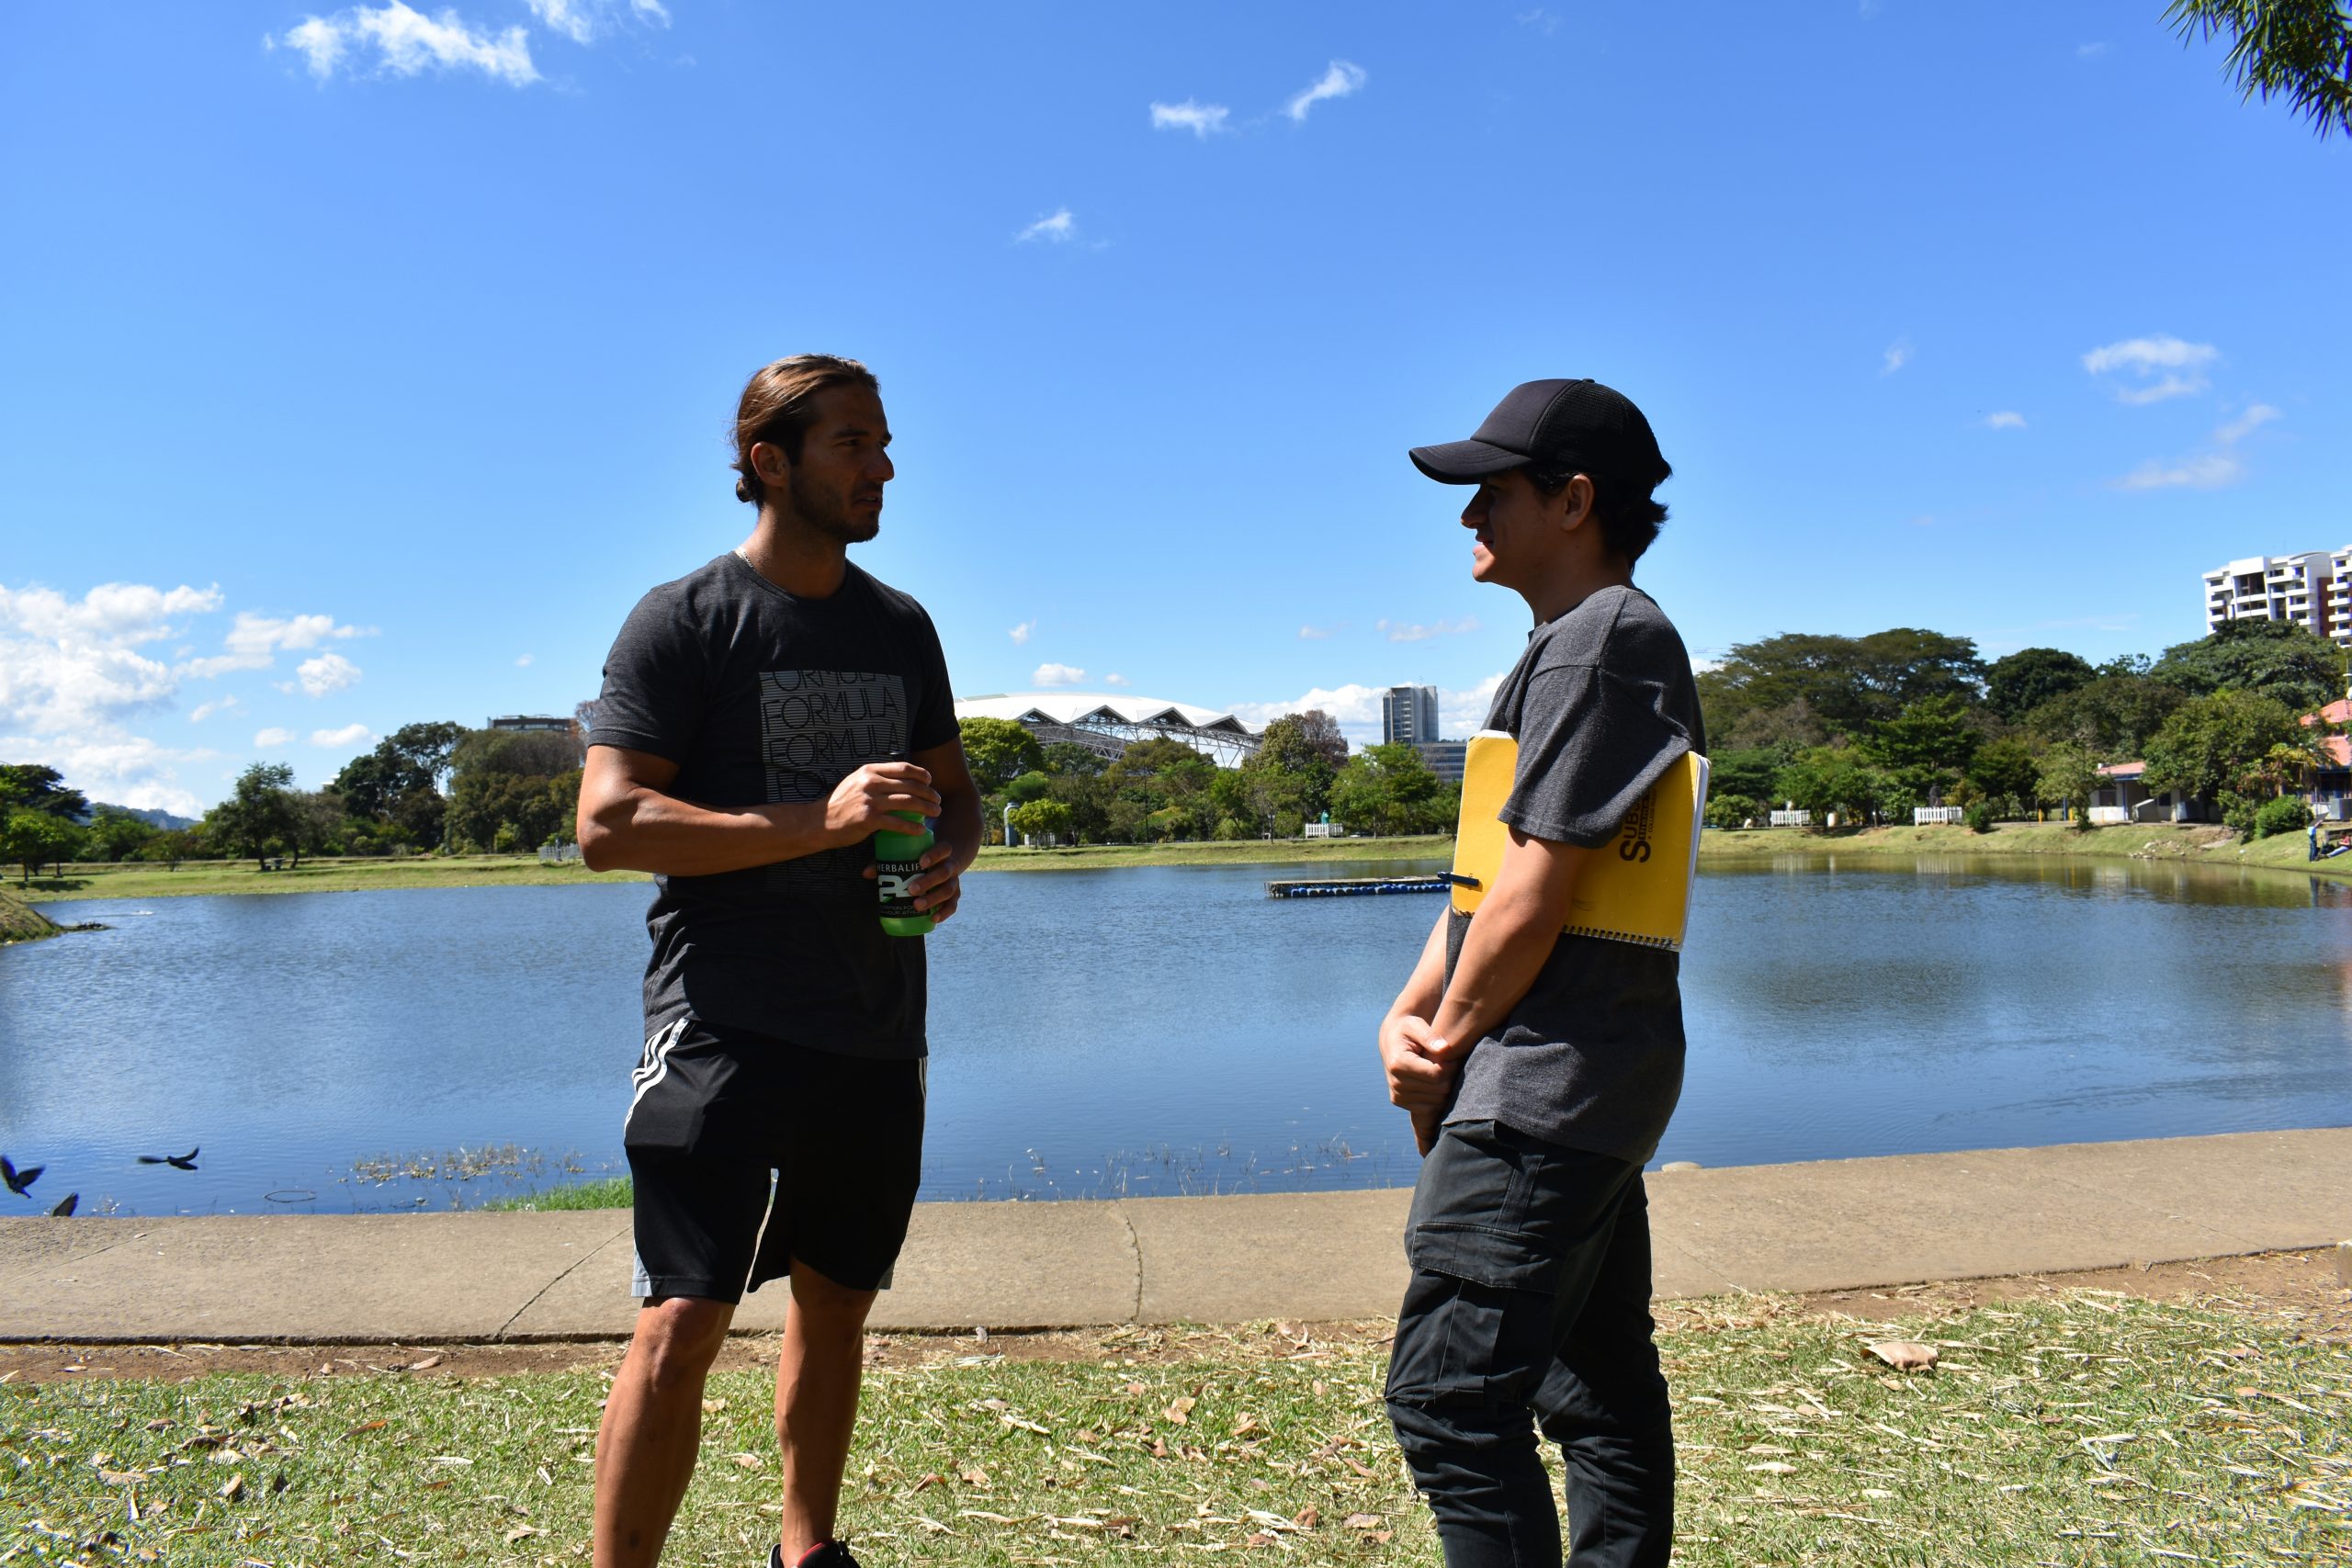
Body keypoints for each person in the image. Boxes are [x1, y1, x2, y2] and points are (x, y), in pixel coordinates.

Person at [575, 354, 982, 1568]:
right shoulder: (685, 620)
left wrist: (949, 860)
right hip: (721, 1019)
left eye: (884, 442)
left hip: (873, 1023)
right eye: (854, 443)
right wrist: (824, 821)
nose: (883, 467)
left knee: (837, 1299)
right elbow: (609, 825)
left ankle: (808, 1554)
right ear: (769, 460)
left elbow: (957, 795)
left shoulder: (901, 627)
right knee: (684, 1315)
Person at [1377, 378, 1705, 1567]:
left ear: (1573, 501)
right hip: (1582, 1078)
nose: (1470, 514)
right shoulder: (1572, 645)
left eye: (1493, 491)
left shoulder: (1600, 640)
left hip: (1545, 1084)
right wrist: (1411, 1011)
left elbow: (1540, 884)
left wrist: (1448, 1042)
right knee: (1594, 1385)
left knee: (1451, 1401)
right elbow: (1489, 878)